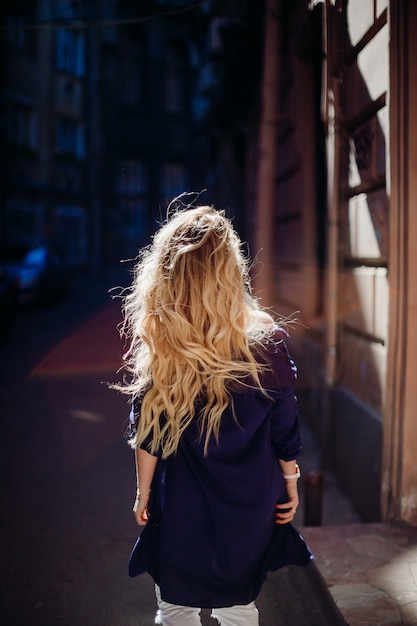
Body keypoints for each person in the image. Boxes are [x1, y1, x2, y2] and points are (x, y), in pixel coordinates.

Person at [115, 202, 312, 626]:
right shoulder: (266, 343)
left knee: (175, 607)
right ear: (230, 272)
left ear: (167, 275)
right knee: (240, 609)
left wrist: (143, 493)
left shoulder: (163, 346)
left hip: (181, 500)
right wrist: (291, 481)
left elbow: (147, 431)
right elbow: (284, 429)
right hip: (249, 502)